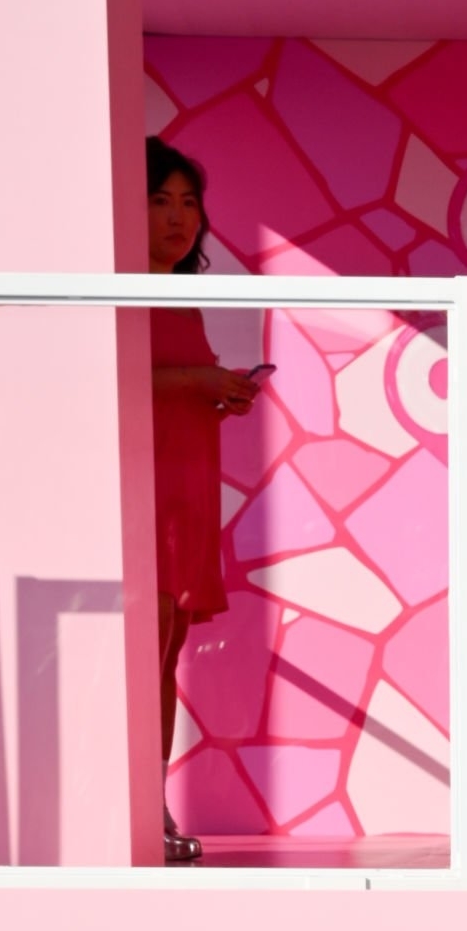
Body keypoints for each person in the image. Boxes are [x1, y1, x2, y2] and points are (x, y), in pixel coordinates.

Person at [146, 137, 261, 862]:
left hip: (186, 492)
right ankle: (136, 809)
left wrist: (220, 395)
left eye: (189, 202)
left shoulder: (179, 296)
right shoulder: (120, 289)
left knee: (165, 658)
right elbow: (105, 377)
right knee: (145, 651)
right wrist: (198, 381)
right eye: (160, 200)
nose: (178, 217)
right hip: (144, 494)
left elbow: (170, 387)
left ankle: (148, 807)